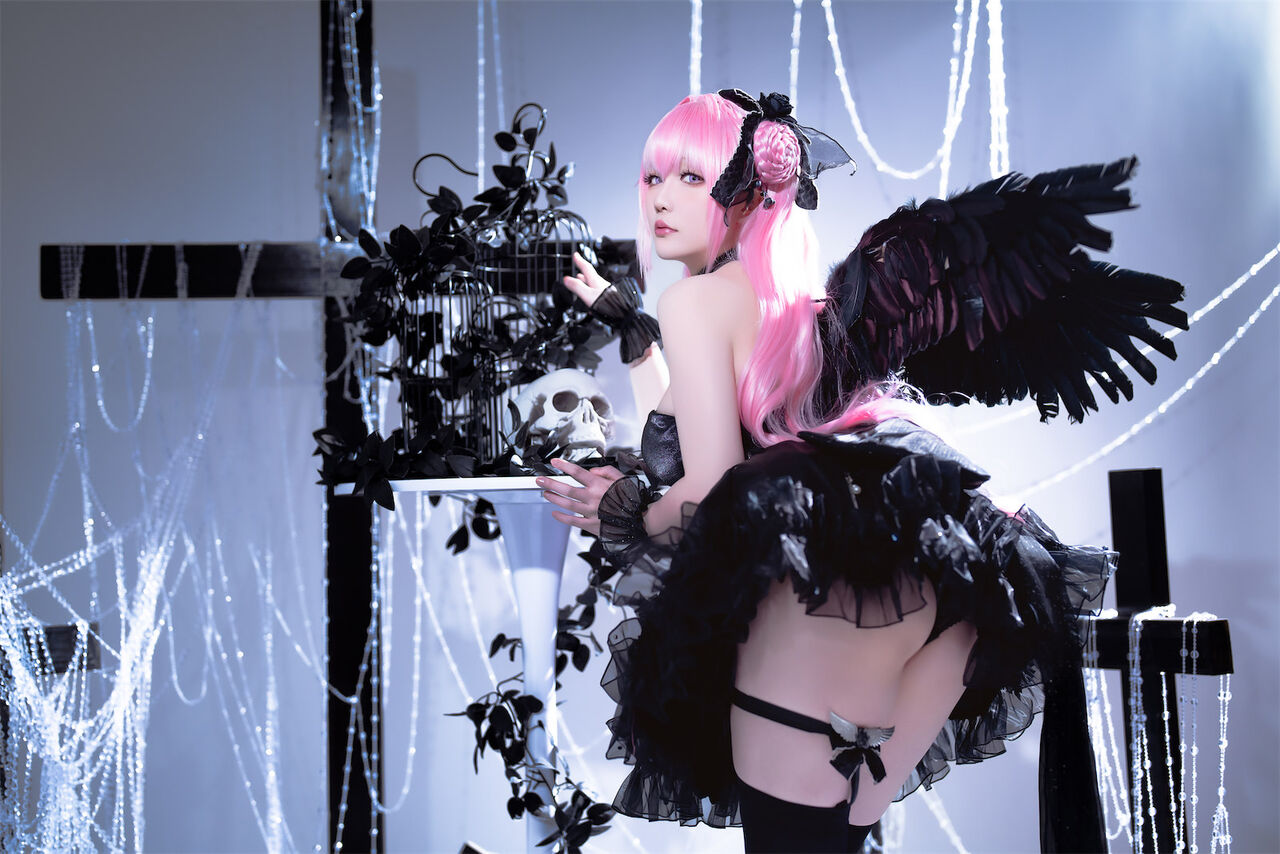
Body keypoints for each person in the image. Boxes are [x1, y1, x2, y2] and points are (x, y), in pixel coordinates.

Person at [536, 90, 1181, 853]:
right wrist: (633, 329)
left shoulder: (697, 302)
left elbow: (708, 488)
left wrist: (628, 511)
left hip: (805, 639)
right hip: (920, 624)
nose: (661, 199)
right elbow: (698, 429)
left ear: (744, 191)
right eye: (652, 178)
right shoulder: (799, 311)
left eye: (690, 177)